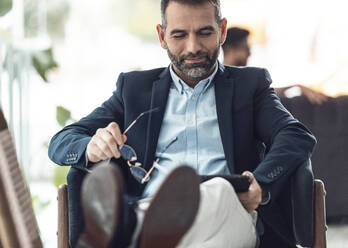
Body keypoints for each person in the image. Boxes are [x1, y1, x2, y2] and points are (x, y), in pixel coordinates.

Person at [48, 0, 316, 247]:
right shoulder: (133, 90)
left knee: (220, 190)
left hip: (232, 211)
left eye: (204, 33)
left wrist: (259, 182)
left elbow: (295, 136)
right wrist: (91, 146)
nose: (193, 48)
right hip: (152, 207)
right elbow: (62, 141)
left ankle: (134, 232)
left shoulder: (250, 86)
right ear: (162, 36)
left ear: (222, 31)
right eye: (179, 35)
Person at [222, 27, 328, 104]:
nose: (249, 54)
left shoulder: (241, 78)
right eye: (246, 49)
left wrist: (297, 86)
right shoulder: (222, 79)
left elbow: (264, 92)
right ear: (230, 50)